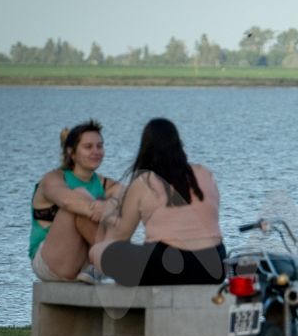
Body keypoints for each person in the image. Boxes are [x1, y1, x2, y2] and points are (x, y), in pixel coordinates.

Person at [90, 118, 225, 286]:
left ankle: (105, 277)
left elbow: (122, 235)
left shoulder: (145, 181)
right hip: (214, 267)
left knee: (97, 252)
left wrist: (107, 214)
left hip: (168, 266)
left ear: (145, 149)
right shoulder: (205, 173)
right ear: (178, 144)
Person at [29, 120, 121, 282]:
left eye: (100, 146)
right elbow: (66, 200)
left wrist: (110, 205)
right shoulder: (53, 179)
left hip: (83, 260)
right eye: (88, 147)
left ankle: (103, 265)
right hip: (50, 262)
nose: (96, 151)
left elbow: (132, 197)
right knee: (78, 199)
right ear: (72, 153)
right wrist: (106, 213)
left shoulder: (104, 183)